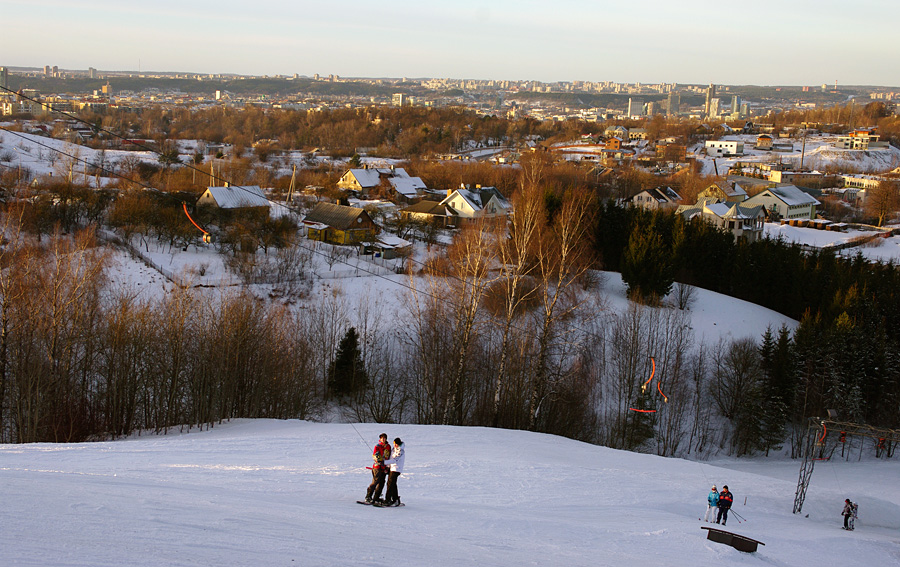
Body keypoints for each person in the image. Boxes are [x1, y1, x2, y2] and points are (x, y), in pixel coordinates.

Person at [365, 433, 391, 503]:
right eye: (382, 438)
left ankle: (376, 497)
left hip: (384, 467)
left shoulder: (388, 446)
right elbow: (375, 455)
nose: (383, 439)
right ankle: (368, 496)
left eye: (384, 438)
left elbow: (389, 456)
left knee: (382, 482)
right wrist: (378, 460)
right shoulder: (377, 446)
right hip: (377, 467)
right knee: (376, 481)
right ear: (380, 439)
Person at [382, 437, 405, 506]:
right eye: (394, 444)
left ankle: (388, 500)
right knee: (393, 485)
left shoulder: (400, 451)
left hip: (396, 469)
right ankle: (396, 499)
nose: (395, 445)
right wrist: (387, 466)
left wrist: (384, 462)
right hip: (392, 469)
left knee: (390, 484)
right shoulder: (394, 449)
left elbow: (395, 460)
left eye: (396, 444)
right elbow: (391, 458)